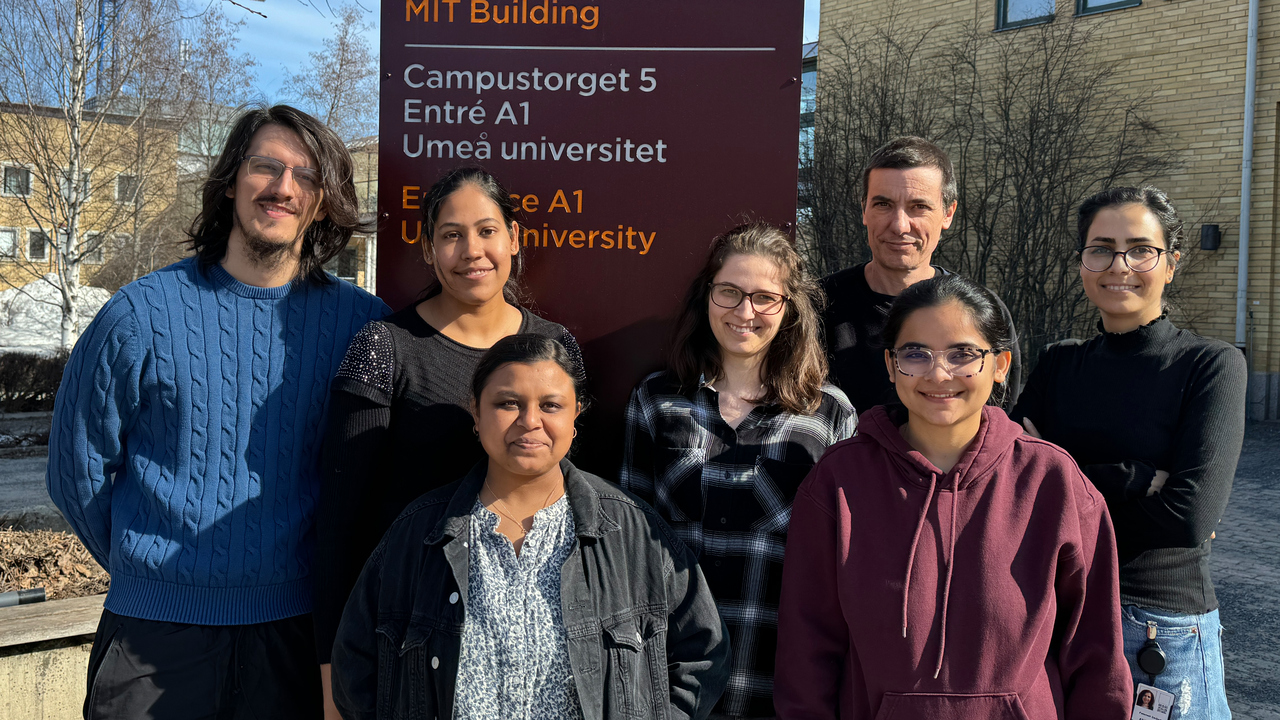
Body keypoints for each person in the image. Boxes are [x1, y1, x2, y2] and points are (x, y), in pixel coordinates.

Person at [46, 104, 389, 718]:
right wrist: (158, 568)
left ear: (324, 201)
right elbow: (77, 472)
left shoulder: (361, 326)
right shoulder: (138, 316)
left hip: (296, 633)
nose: (283, 187)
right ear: (231, 180)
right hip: (153, 636)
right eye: (266, 166)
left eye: (306, 176)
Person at [775, 274, 1132, 719]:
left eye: (963, 353)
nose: (938, 373)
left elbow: (1097, 660)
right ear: (890, 365)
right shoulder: (839, 481)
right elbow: (806, 655)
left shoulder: (1053, 482)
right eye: (915, 353)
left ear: (1000, 365)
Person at [330, 334, 731, 719]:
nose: (530, 421)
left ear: (576, 414)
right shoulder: (418, 534)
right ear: (476, 411)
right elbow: (356, 668)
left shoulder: (632, 531)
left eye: (551, 406)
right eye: (508, 403)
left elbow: (704, 651)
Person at [311, 167, 582, 710]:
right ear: (429, 250)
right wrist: (332, 682)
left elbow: (575, 500)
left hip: (537, 638)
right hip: (411, 630)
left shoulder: (556, 349)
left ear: (514, 239)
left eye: (487, 230)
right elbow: (339, 525)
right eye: (451, 235)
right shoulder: (385, 349)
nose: (472, 250)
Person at [1012, 186, 1246, 719]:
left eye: (1141, 248)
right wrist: (1131, 477)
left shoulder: (1209, 366)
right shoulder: (1059, 363)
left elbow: (1186, 519)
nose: (1119, 265)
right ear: (1081, 262)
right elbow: (1011, 483)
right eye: (1101, 248)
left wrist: (1061, 472)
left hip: (1158, 629)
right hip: (1058, 615)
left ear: (1171, 264)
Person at [620, 222, 856, 719]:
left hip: (779, 681)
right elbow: (628, 550)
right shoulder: (657, 400)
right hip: (673, 681)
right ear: (707, 296)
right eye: (729, 292)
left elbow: (844, 565)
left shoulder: (829, 415)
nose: (745, 311)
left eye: (764, 297)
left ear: (789, 307)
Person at [820, 136, 1022, 413]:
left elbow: (997, 417)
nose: (900, 225)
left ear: (948, 214)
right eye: (883, 205)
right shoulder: (815, 307)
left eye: (919, 207)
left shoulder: (980, 310)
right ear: (864, 210)